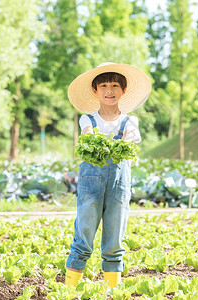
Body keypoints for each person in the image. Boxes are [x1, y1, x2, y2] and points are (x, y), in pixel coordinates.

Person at [65, 63, 151, 288]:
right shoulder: (88, 120)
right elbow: (87, 137)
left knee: (114, 237)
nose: (109, 90)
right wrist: (98, 142)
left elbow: (132, 142)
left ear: (123, 90)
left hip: (119, 186)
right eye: (103, 85)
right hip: (90, 185)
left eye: (114, 85)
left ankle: (112, 289)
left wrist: (128, 139)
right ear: (95, 90)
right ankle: (70, 288)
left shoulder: (130, 122)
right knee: (83, 234)